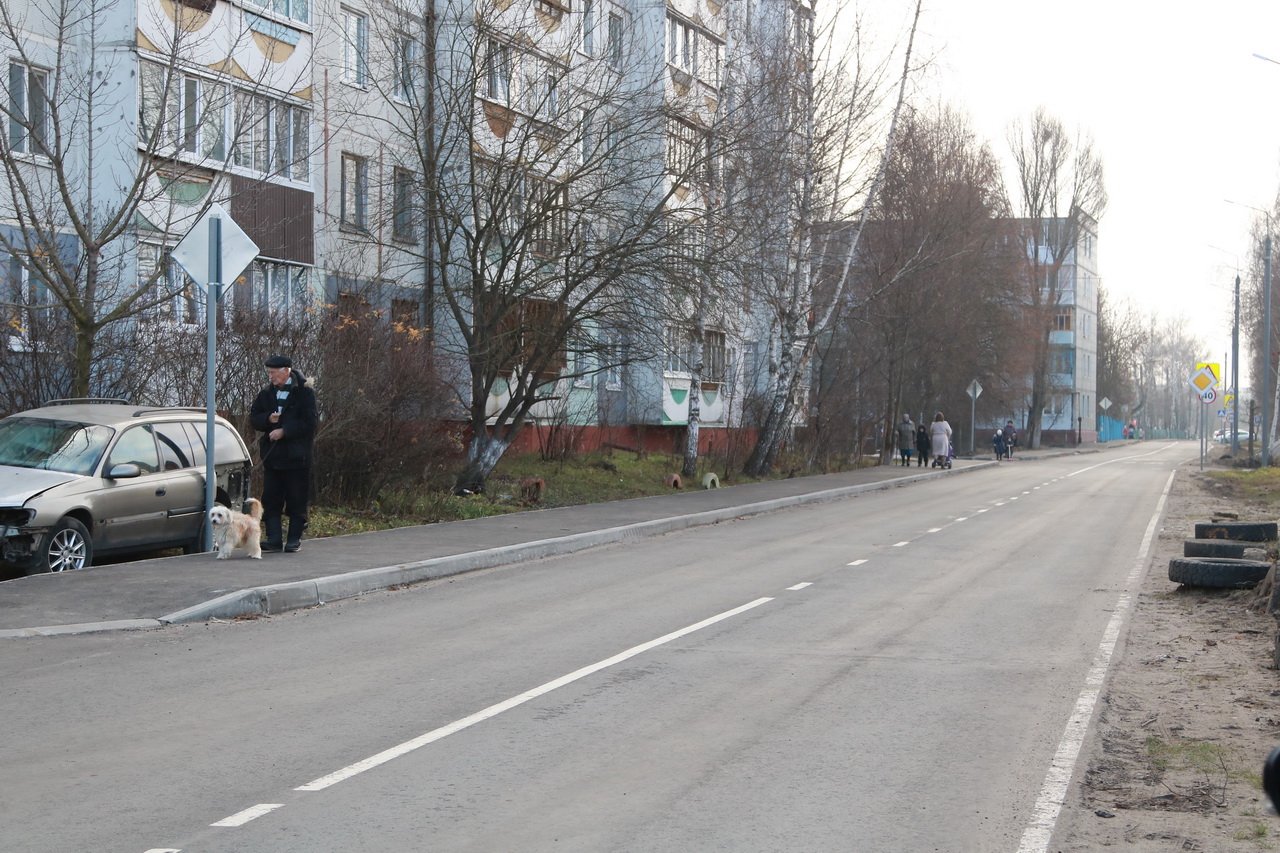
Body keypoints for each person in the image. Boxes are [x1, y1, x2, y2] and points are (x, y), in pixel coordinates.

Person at [250, 354, 318, 553]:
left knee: (297, 498)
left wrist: (285, 431)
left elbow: (310, 423)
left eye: (273, 373)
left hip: (297, 457)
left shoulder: (304, 393)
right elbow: (254, 417)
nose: (270, 377)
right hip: (273, 457)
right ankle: (274, 539)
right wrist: (268, 420)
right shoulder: (266, 393)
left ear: (286, 371)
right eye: (269, 373)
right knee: (271, 498)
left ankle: (293, 539)